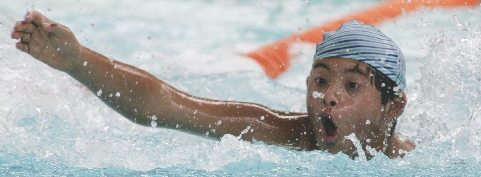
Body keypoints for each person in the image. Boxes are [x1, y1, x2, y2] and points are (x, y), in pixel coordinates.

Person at [11, 11, 415, 160]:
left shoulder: (422, 163)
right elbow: (165, 104)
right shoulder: (280, 132)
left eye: (352, 85)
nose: (328, 95)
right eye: (322, 80)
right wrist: (78, 61)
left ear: (392, 106)